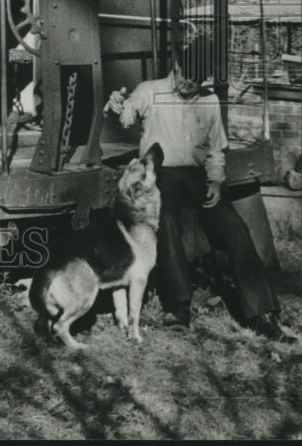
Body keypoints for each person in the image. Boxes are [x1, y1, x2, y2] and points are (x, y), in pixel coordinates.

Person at [104, 34, 294, 342]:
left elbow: (215, 151)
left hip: (196, 179)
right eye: (184, 76)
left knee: (234, 228)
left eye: (195, 80)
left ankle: (263, 314)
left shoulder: (209, 101)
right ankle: (179, 308)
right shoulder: (150, 91)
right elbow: (127, 115)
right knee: (166, 222)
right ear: (177, 65)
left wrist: (216, 182)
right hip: (160, 176)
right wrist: (116, 106)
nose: (187, 84)